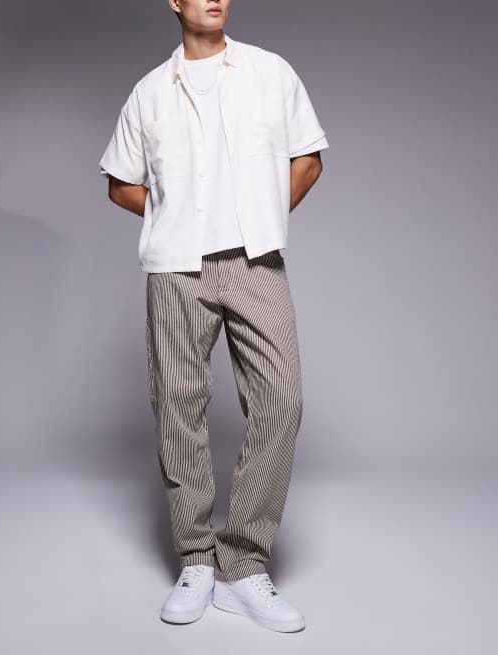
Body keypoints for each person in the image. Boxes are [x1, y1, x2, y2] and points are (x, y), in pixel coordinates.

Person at [98, 0, 328, 633]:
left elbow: (308, 158)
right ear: (174, 2)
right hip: (176, 267)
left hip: (256, 259)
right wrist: (176, 215)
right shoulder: (149, 92)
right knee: (178, 405)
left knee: (281, 398)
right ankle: (196, 559)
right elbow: (121, 182)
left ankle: (244, 564)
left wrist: (260, 216)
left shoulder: (270, 72)